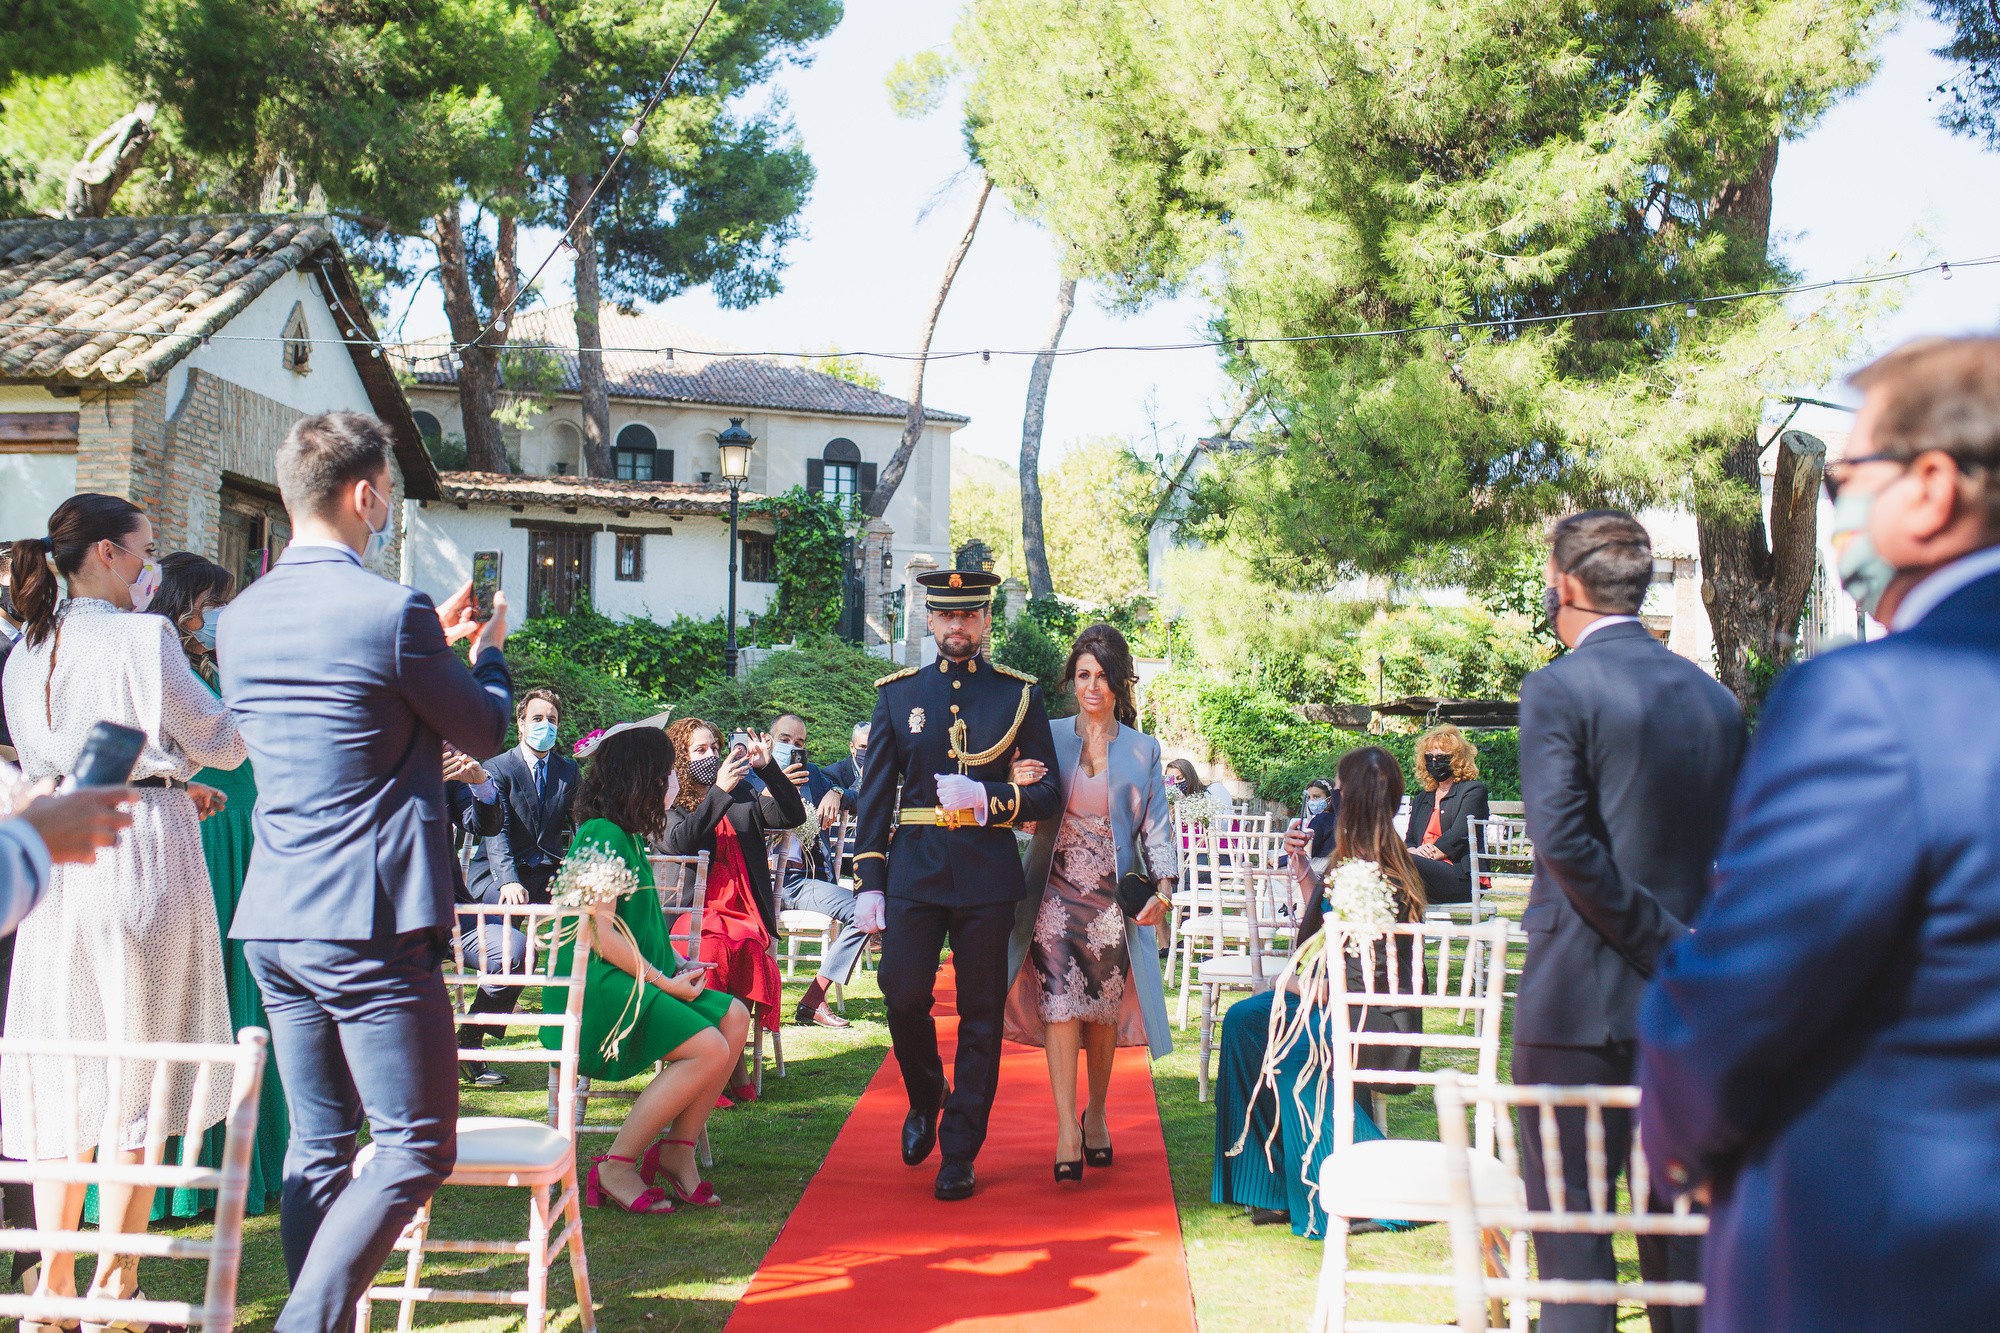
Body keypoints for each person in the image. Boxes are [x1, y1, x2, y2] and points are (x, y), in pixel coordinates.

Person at [1639, 336, 2000, 1333]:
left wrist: (1680, 1143)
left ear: (1930, 486)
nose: (1830, 507)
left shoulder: (1875, 703)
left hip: (1886, 1261)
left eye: (1845, 476)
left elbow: (1744, 990)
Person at [219, 412, 512, 1333]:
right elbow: (486, 730)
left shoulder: (239, 616)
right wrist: (487, 649)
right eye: (386, 493)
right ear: (364, 494)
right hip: (368, 917)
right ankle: (306, 1321)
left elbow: (345, 715)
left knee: (318, 1144)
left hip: (274, 913)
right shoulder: (392, 613)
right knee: (416, 1145)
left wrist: (433, 638)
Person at [0, 494, 247, 1323]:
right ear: (107, 552)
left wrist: (181, 781)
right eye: (146, 551)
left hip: (53, 852)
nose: (152, 568)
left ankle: (55, 1284)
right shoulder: (146, 637)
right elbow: (220, 737)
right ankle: (118, 1281)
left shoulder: (26, 651)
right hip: (136, 849)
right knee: (136, 1068)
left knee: (68, 1065)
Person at [1516, 508, 1745, 1333]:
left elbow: (1567, 845)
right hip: (1687, 1017)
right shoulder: (1716, 702)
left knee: (1576, 1264)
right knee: (1686, 1263)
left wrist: (1662, 945)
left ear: (1566, 582)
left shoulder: (1556, 687)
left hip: (1574, 1008)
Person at [851, 567, 1063, 1202]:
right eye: (946, 615)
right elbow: (875, 795)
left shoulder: (1017, 696)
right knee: (902, 993)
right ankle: (925, 1097)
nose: (957, 626)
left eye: (968, 616)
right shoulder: (898, 694)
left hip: (985, 874)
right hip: (914, 865)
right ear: (929, 620)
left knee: (979, 1016)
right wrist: (869, 880)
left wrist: (993, 796)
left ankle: (961, 1148)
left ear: (986, 621)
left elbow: (1048, 793)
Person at [126, 553, 288, 1221]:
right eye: (209, 603)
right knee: (194, 990)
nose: (211, 616)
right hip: (200, 834)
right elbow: (223, 738)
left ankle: (231, 1157)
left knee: (231, 983)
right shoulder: (159, 662)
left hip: (233, 831)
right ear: (184, 604)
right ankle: (182, 1172)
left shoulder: (202, 667)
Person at [1210, 746, 1423, 1237]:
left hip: (1371, 1016)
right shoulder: (1352, 863)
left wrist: (1312, 983)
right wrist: (1302, 866)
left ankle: (1356, 1191)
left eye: (1338, 791)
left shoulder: (1386, 873)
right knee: (1244, 1020)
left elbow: (1364, 970)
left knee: (1292, 1038)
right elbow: (1326, 927)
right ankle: (1269, 1182)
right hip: (1329, 999)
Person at [543, 725, 751, 1214]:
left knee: (734, 1017)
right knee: (708, 1049)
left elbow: (643, 927)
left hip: (633, 977)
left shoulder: (629, 836)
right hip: (596, 987)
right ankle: (617, 1164)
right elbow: (599, 933)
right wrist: (665, 984)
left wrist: (680, 965)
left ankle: (677, 1151)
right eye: (667, 774)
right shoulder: (603, 834)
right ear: (645, 778)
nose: (675, 782)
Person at [1000, 622, 1174, 1181]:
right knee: (1059, 1002)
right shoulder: (1047, 735)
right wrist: (1014, 778)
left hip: (1112, 899)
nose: (1091, 687)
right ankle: (1065, 1129)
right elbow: (1024, 805)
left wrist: (1164, 891)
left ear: (1120, 684)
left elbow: (1158, 829)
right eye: (1082, 675)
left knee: (1100, 1012)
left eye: (1102, 677)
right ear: (1071, 680)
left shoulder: (1144, 749)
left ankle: (1096, 1115)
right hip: (1052, 892)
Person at [662, 717, 803, 1102]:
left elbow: (792, 815)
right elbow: (681, 843)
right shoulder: (668, 800)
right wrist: (718, 791)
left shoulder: (743, 795)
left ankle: (723, 1066)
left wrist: (768, 769)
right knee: (710, 950)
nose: (710, 756)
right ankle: (723, 1069)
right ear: (680, 758)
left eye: (714, 748)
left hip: (744, 908)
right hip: (691, 910)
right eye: (700, 750)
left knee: (743, 946)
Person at [460, 689, 579, 1085]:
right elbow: (497, 833)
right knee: (511, 951)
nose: (546, 726)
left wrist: (580, 873)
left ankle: (587, 1035)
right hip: (497, 876)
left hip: (547, 874)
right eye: (538, 718)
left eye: (553, 719)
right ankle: (471, 1042)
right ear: (522, 723)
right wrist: (508, 881)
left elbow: (577, 828)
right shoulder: (497, 767)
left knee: (591, 927)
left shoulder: (568, 771)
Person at [764, 712, 866, 1029]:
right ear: (768, 741)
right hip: (758, 883)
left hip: (800, 881)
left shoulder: (812, 776)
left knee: (866, 911)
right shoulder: (748, 777)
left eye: (799, 742)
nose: (793, 747)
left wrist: (837, 792)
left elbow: (862, 796)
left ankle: (813, 999)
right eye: (784, 740)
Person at [1403, 724, 1490, 906]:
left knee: (1394, 861)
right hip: (1420, 871)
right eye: (1429, 757)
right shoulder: (1422, 797)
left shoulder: (1473, 791)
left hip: (1460, 877)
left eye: (1441, 757)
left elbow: (1459, 835)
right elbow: (1410, 840)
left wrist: (1417, 857)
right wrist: (1414, 852)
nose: (1435, 761)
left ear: (1457, 759)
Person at [814, 720, 868, 828]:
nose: (868, 752)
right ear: (852, 748)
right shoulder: (832, 774)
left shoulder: (884, 774)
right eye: (863, 747)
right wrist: (861, 779)